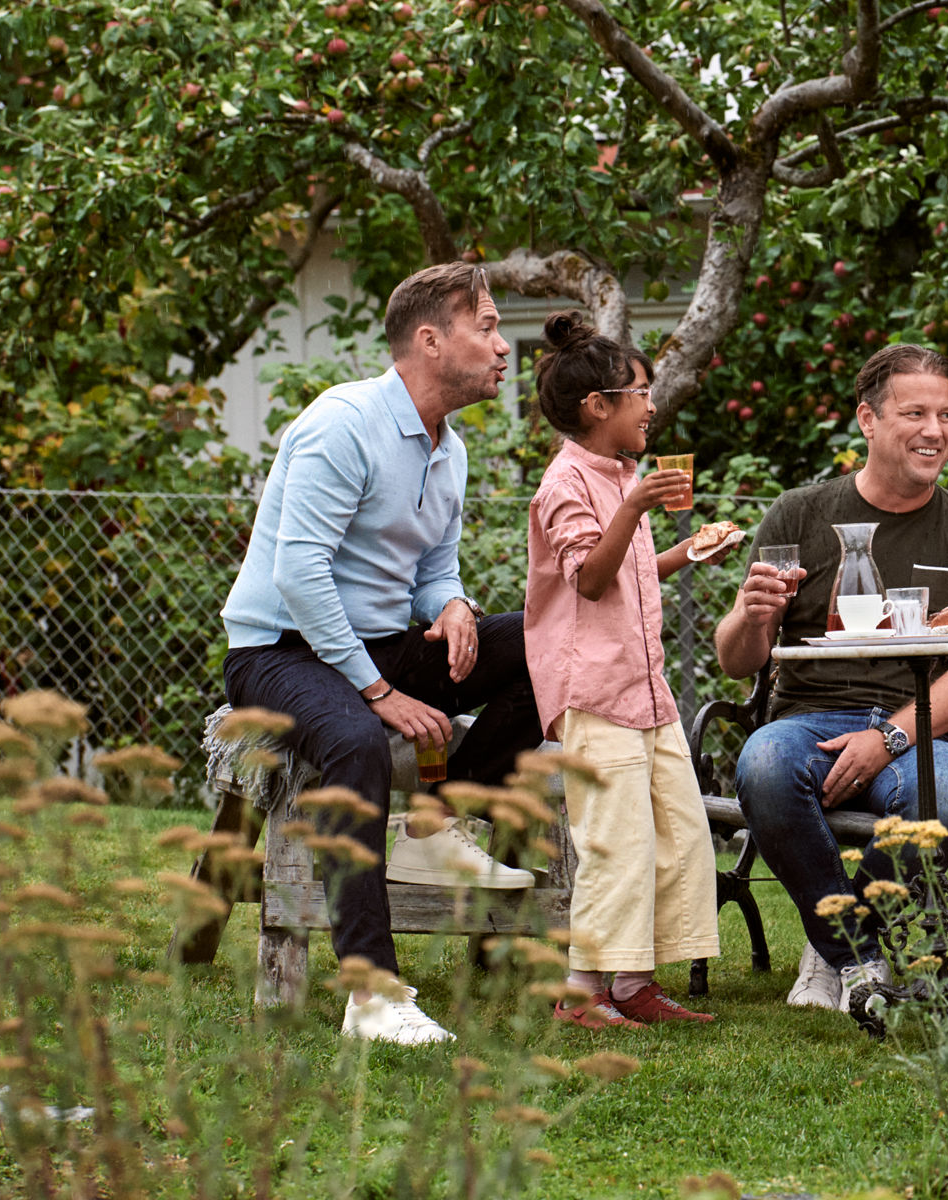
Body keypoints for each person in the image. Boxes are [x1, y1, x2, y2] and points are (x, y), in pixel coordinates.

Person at [221, 262, 542, 1045]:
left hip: (382, 642)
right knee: (360, 742)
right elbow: (299, 574)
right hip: (279, 651)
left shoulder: (449, 448)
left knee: (545, 641)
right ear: (431, 341)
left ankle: (435, 825)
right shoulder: (345, 423)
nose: (504, 347)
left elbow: (433, 568)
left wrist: (455, 605)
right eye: (489, 327)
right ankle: (370, 993)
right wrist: (376, 691)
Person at [714, 343, 948, 1014]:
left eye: (947, 414)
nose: (935, 431)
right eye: (914, 413)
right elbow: (739, 659)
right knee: (761, 766)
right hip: (804, 724)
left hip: (919, 730)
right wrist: (750, 614)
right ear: (868, 421)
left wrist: (887, 738)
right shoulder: (800, 514)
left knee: (939, 801)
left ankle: (833, 948)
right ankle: (856, 953)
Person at [523, 310, 726, 1029]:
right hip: (595, 694)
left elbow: (633, 569)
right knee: (613, 842)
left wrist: (687, 552)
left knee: (675, 831)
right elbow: (588, 579)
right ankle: (579, 993)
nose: (652, 403)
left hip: (646, 691)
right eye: (641, 390)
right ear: (597, 406)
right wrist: (635, 508)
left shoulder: (624, 474)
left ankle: (634, 982)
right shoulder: (567, 484)